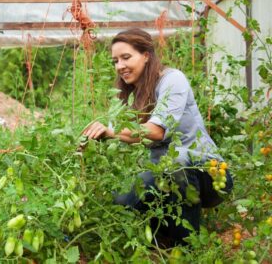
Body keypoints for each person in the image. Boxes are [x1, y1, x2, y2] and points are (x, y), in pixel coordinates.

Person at [82, 28, 233, 246]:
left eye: (126, 57)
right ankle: (164, 238)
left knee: (176, 160)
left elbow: (156, 131)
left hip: (211, 176)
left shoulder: (173, 80)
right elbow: (117, 130)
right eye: (115, 61)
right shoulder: (133, 94)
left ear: (146, 55)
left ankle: (188, 247)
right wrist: (92, 138)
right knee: (122, 200)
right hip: (166, 174)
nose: (120, 66)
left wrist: (111, 131)